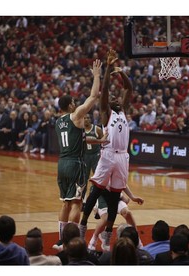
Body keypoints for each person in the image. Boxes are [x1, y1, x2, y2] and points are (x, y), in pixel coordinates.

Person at [79, 48, 133, 251]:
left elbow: (129, 88)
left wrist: (120, 71)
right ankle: (82, 226)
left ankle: (107, 239)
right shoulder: (105, 113)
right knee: (95, 193)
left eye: (119, 99)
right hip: (109, 154)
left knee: (113, 199)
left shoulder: (123, 111)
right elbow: (106, 91)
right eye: (114, 99)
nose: (117, 99)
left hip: (122, 158)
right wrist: (109, 68)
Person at [54, 59, 102, 250]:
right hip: (76, 164)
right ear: (71, 105)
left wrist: (98, 141)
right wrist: (96, 75)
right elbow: (93, 97)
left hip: (62, 163)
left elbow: (79, 139)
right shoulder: (76, 116)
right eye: (74, 102)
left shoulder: (58, 122)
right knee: (76, 203)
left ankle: (60, 240)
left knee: (65, 203)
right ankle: (71, 241)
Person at [88, 184, 144, 252]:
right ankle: (93, 241)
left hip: (114, 194)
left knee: (127, 213)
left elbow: (123, 183)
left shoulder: (120, 174)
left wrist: (132, 197)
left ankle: (137, 239)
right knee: (106, 218)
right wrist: (94, 206)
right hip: (101, 194)